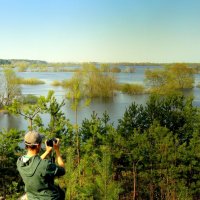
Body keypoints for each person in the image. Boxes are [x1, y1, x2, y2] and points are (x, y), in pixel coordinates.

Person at [17, 131, 65, 200]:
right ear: (38, 145)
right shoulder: (45, 165)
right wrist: (57, 150)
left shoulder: (20, 162)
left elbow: (34, 163)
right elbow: (62, 170)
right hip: (50, 198)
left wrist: (47, 152)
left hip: (32, 197)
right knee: (61, 192)